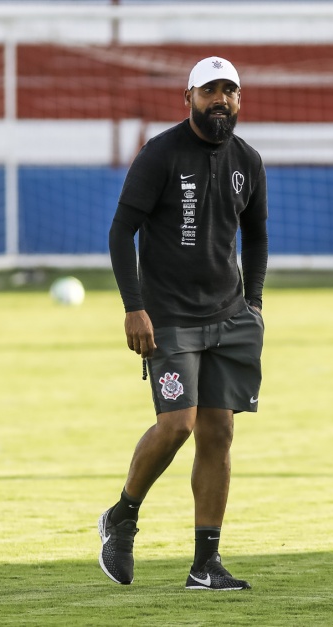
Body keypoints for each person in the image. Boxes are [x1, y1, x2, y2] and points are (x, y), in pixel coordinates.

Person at [100, 56, 268, 590]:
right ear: (188, 97)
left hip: (230, 316)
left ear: (240, 100)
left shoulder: (249, 161)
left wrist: (256, 305)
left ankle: (205, 565)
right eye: (209, 90)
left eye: (229, 91)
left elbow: (257, 236)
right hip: (168, 317)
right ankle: (122, 516)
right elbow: (121, 230)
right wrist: (133, 306)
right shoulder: (161, 154)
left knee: (219, 432)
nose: (220, 99)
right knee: (179, 424)